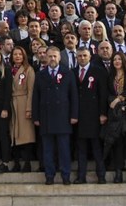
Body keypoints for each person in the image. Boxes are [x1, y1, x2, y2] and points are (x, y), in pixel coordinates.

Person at [32, 46, 78, 185]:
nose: (52, 59)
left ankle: (65, 176)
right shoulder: (40, 74)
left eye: (54, 56)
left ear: (59, 57)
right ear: (45, 57)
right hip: (46, 116)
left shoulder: (67, 73)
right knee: (48, 150)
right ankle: (49, 176)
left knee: (64, 149)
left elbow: (73, 96)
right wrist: (36, 117)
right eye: (50, 56)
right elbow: (36, 97)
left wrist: (74, 115)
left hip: (63, 116)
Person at [72, 47, 108, 184]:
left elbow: (103, 94)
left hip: (94, 115)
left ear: (90, 56)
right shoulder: (73, 72)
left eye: (84, 55)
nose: (82, 58)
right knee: (81, 148)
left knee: (96, 148)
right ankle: (81, 176)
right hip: (79, 116)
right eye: (79, 56)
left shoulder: (98, 71)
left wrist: (103, 113)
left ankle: (101, 176)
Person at [105, 51, 126, 183]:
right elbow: (107, 93)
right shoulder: (110, 76)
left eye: (119, 59)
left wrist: (117, 100)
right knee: (117, 144)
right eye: (115, 60)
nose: (117, 61)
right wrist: (112, 101)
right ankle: (118, 171)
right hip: (115, 116)